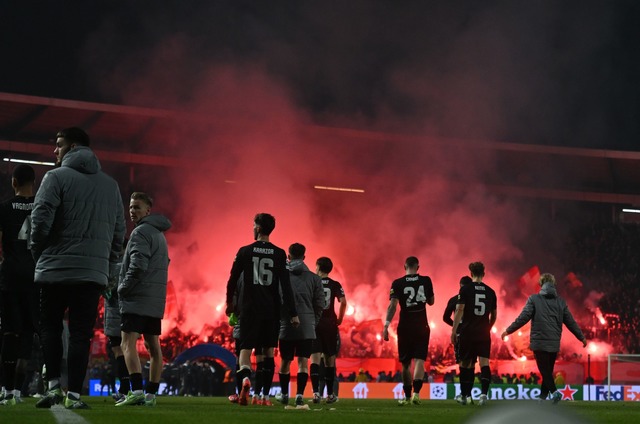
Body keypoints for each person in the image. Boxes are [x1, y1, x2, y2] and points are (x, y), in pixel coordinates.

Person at [30, 127, 125, 409]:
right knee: (81, 334)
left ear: (72, 147)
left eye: (58, 145)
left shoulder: (55, 177)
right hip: (91, 274)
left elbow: (40, 219)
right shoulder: (111, 185)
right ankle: (74, 396)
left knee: (49, 328)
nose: (54, 151)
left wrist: (39, 252)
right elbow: (119, 233)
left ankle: (53, 388)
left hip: (55, 269)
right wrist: (107, 268)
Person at [225, 213, 299, 406]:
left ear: (257, 228)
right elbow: (286, 286)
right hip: (271, 310)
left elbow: (232, 280)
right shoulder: (280, 253)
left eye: (253, 225)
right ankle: (264, 397)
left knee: (245, 349)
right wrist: (292, 313)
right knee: (267, 352)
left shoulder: (244, 251)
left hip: (249, 308)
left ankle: (245, 379)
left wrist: (229, 303)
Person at [116, 192, 171, 407]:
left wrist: (123, 288)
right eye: (130, 207)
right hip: (154, 300)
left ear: (148, 210)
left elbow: (138, 266)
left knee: (126, 343)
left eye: (137, 207)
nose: (132, 211)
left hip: (136, 298)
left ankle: (137, 390)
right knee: (153, 347)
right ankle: (150, 395)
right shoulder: (159, 235)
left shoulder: (140, 233)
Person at [501, 273, 586, 403]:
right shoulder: (560, 302)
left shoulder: (534, 300)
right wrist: (581, 337)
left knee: (545, 371)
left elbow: (523, 318)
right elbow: (571, 322)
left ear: (541, 284)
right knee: (548, 371)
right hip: (554, 343)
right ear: (553, 285)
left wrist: (508, 330)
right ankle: (542, 398)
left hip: (539, 342)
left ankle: (555, 392)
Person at [0, 165, 37, 406]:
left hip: (11, 276)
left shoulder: (3, 208)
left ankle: (6, 389)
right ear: (34, 182)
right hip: (37, 276)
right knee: (31, 333)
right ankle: (22, 389)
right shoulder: (43, 207)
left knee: (10, 332)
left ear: (14, 182)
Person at [382, 256, 435, 405]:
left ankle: (406, 396)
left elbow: (392, 306)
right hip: (421, 325)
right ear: (418, 267)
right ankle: (416, 394)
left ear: (404, 266)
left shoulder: (397, 283)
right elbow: (431, 302)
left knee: (405, 364)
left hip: (405, 326)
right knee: (419, 361)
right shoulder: (426, 280)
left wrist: (386, 325)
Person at [276, 243, 323, 406]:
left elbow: (278, 301)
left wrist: (282, 320)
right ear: (304, 257)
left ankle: (283, 394)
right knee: (303, 362)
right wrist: (312, 321)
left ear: (288, 257)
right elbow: (320, 304)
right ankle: (299, 395)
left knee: (285, 361)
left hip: (286, 326)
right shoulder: (315, 278)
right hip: (307, 326)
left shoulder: (281, 277)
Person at [451, 261, 497, 406]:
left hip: (467, 332)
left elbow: (459, 310)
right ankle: (483, 395)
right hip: (483, 332)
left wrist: (454, 330)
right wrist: (487, 327)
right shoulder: (491, 291)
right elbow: (494, 315)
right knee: (484, 363)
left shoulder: (465, 290)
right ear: (483, 274)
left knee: (467, 364)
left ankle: (465, 395)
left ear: (471, 274)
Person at [310, 256, 346, 404]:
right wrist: (340, 319)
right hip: (330, 324)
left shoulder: (312, 282)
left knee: (315, 359)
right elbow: (343, 302)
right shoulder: (335, 284)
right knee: (330, 359)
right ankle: (330, 394)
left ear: (318, 267)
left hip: (315, 323)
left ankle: (316, 393)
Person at [102, 239, 130, 403]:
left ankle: (125, 389)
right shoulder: (129, 266)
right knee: (126, 350)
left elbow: (108, 293)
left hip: (115, 316)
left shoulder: (114, 266)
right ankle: (129, 388)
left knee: (119, 352)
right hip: (127, 313)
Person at [443, 276, 473, 365]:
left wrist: (456, 326)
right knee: (471, 362)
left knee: (461, 362)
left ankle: (463, 378)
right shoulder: (475, 299)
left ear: (460, 285)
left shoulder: (454, 300)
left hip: (460, 333)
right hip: (473, 332)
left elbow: (445, 318)